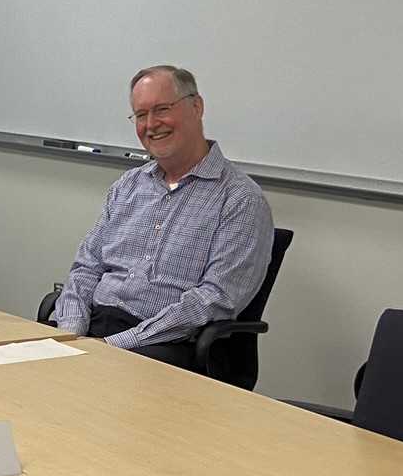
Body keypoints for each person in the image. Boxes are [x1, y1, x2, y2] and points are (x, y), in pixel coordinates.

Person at [54, 65, 274, 367]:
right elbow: (86, 269)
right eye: (141, 115)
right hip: (93, 331)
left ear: (196, 107)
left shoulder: (240, 200)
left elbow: (214, 300)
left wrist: (111, 345)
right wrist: (70, 335)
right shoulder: (128, 186)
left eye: (162, 109)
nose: (152, 124)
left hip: (165, 344)